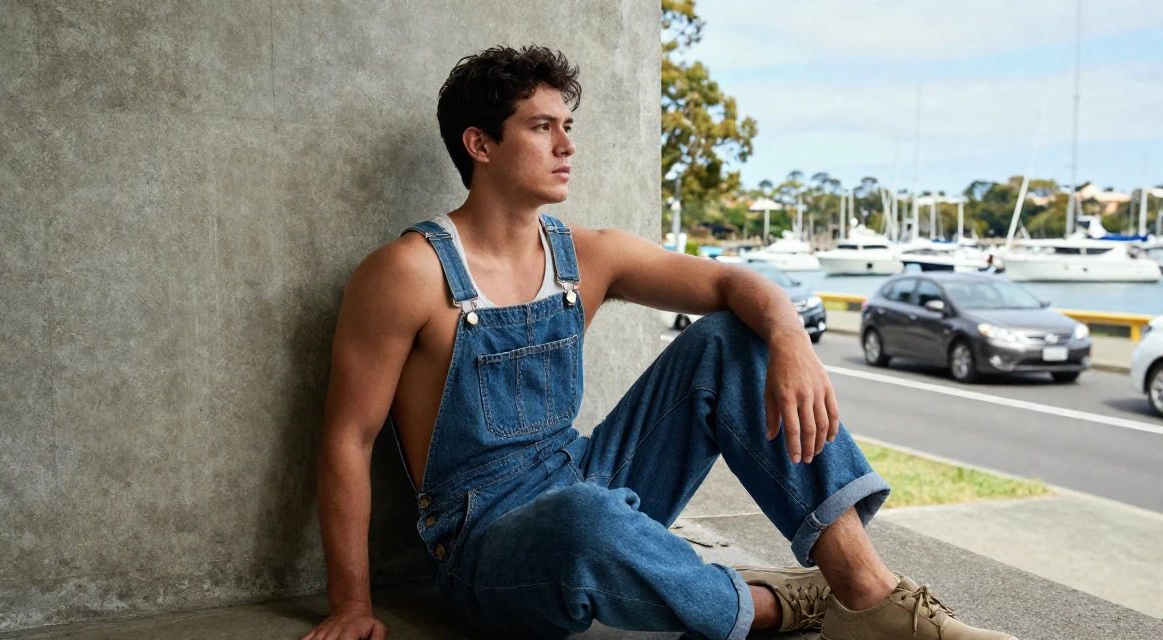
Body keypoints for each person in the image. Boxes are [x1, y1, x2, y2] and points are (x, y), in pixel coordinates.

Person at [304, 46, 1018, 640]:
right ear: (480, 144)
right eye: (542, 127)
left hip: (587, 475)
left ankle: (866, 593)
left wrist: (789, 337)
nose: (568, 145)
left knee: (729, 339)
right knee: (586, 520)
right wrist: (352, 605)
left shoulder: (587, 254)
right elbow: (347, 440)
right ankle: (777, 604)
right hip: (486, 541)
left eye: (568, 125)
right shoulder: (408, 272)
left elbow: (736, 284)